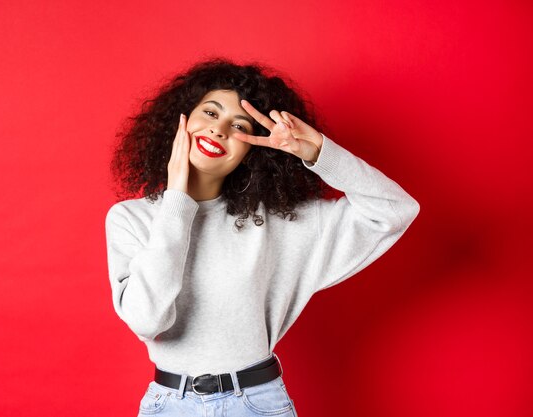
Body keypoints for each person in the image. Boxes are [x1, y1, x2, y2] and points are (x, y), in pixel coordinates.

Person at [105, 58, 420, 416]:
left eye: (238, 124)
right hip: (170, 404)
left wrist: (316, 151)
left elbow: (394, 210)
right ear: (181, 119)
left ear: (251, 150)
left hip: (256, 404)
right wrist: (178, 199)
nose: (219, 129)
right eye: (210, 112)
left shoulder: (279, 224)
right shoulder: (132, 219)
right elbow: (147, 320)